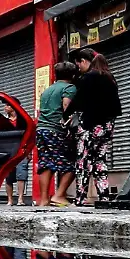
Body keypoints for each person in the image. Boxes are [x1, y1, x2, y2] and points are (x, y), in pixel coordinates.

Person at [70, 48, 121, 204]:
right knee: (100, 160)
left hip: (90, 126)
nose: (79, 69)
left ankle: (80, 198)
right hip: (107, 127)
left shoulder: (88, 78)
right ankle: (104, 196)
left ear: (84, 62)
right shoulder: (110, 77)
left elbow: (78, 101)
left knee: (83, 161)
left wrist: (66, 115)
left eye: (78, 65)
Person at [35, 61, 80, 206]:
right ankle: (59, 195)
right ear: (73, 75)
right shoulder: (69, 88)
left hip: (41, 129)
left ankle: (43, 200)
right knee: (72, 163)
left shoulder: (47, 90)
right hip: (56, 130)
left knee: (46, 164)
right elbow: (67, 108)